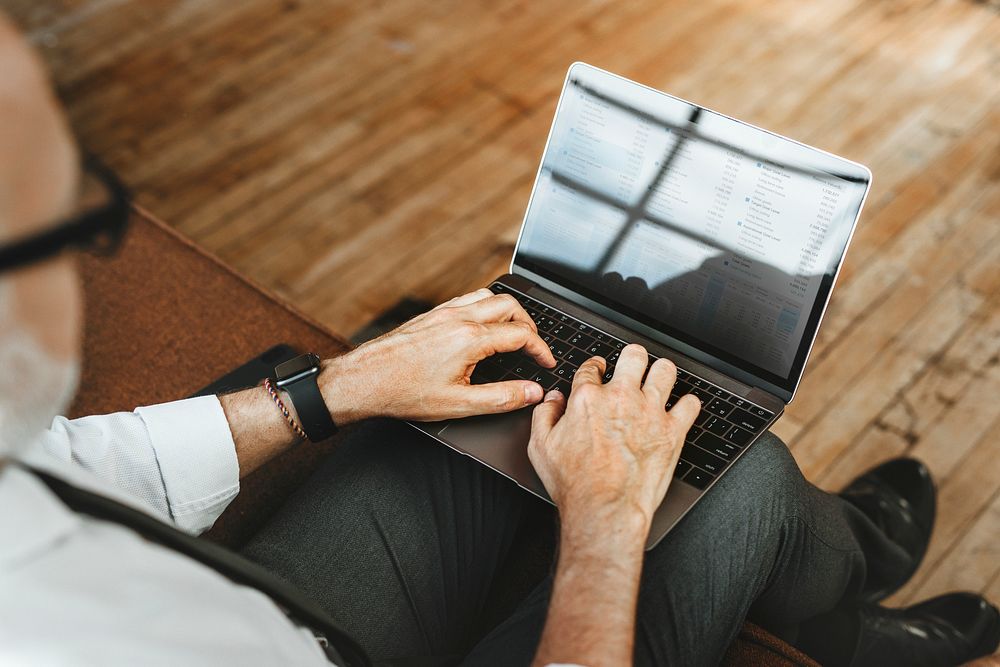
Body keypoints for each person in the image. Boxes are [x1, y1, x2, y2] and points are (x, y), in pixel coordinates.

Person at [0, 14, 997, 667]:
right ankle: (842, 606)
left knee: (491, 386)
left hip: (262, 622)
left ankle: (838, 585)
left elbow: (63, 464)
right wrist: (604, 526)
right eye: (80, 212)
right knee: (741, 475)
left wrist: (327, 392)